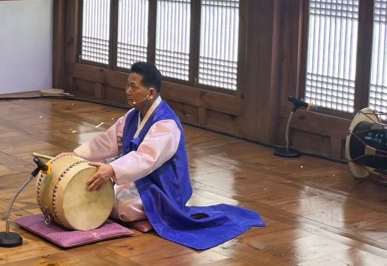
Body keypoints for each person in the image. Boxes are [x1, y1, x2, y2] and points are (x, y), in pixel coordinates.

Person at [73, 61, 263, 250]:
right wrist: (77, 155)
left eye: (133, 87)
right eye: (127, 85)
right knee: (97, 190)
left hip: (162, 188)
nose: (128, 91)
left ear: (150, 93)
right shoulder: (132, 115)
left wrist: (112, 169)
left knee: (120, 207)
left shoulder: (166, 124)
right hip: (139, 179)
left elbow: (145, 158)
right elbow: (107, 141)